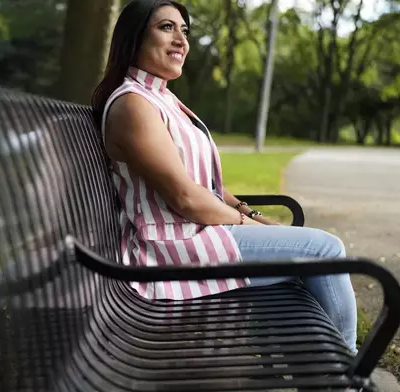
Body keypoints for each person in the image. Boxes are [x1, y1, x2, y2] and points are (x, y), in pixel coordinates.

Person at [91, 0, 357, 354]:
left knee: (304, 259)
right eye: (166, 28)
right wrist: (247, 225)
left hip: (196, 234)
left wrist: (252, 215)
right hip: (171, 248)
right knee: (325, 251)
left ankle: (318, 369)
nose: (181, 41)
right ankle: (347, 373)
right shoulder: (134, 105)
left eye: (184, 31)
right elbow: (185, 197)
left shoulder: (161, 98)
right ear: (134, 38)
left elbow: (209, 187)